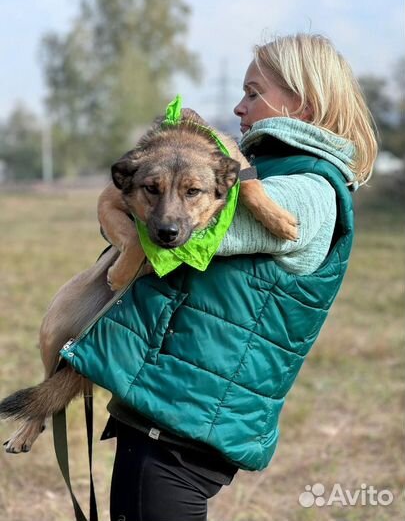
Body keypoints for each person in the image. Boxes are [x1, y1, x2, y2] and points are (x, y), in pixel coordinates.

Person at [72, 33, 377, 521]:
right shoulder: (269, 169)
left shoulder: (309, 188)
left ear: (305, 100)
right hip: (175, 406)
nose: (239, 106)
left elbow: (175, 234)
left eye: (254, 92)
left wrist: (142, 193)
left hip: (187, 423)